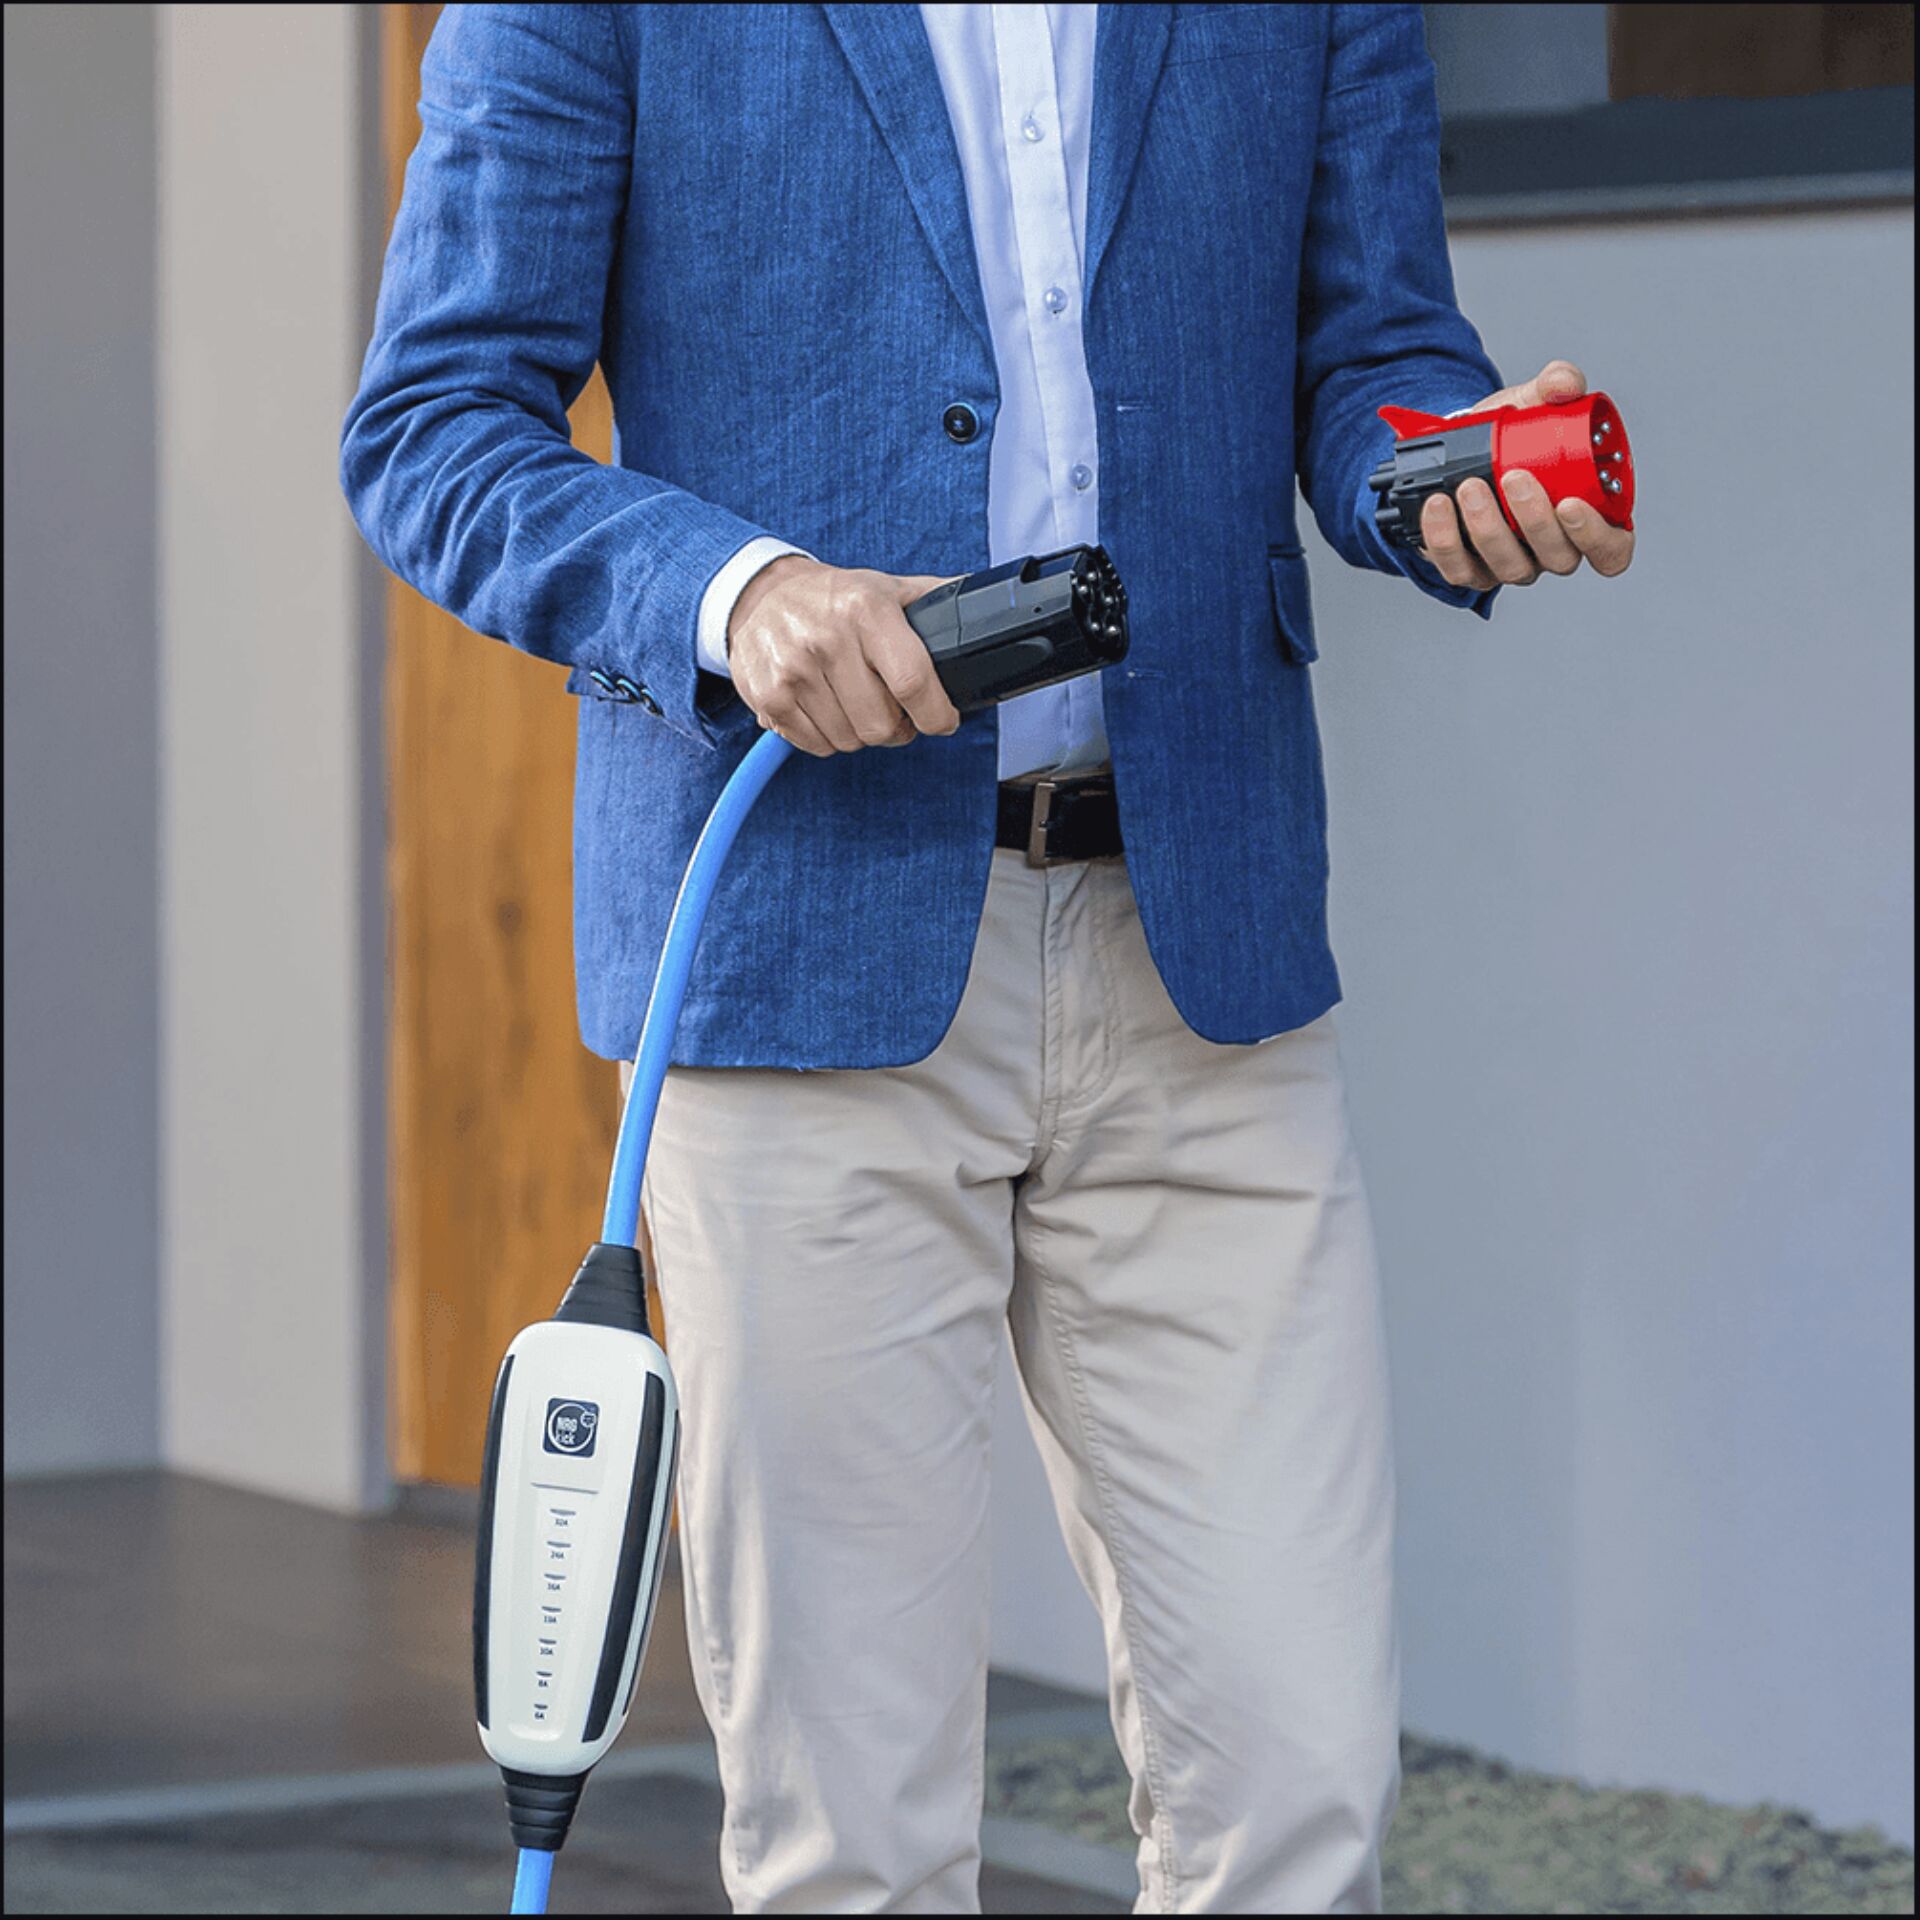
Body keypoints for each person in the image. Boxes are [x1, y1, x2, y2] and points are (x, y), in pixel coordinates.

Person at [342, 6, 1634, 1911]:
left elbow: (1373, 357)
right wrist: (735, 595)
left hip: (1198, 951)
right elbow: (434, 429)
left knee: (1301, 1793)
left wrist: (1444, 476)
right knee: (853, 1839)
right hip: (797, 952)